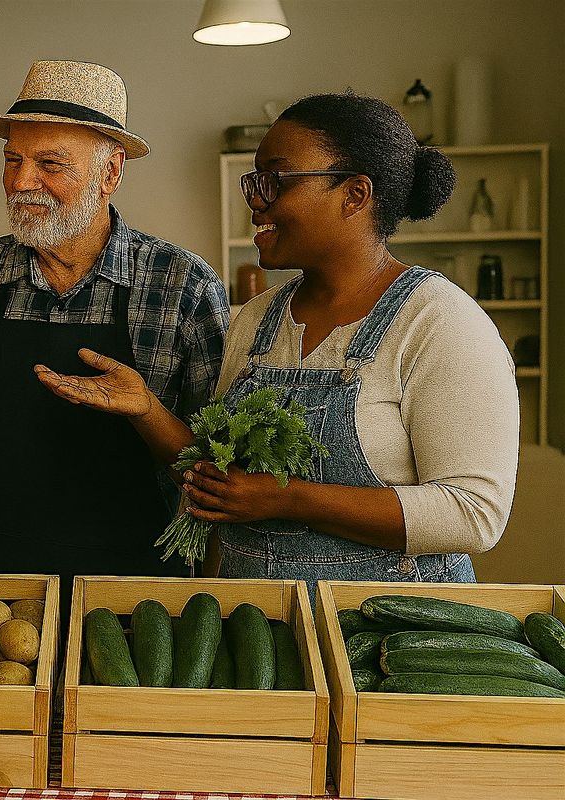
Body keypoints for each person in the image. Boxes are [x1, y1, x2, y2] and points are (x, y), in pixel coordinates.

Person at [38, 92, 518, 590]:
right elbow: (227, 479)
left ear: (355, 195)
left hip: (389, 644)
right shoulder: (257, 319)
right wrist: (146, 409)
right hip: (264, 629)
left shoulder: (439, 322)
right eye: (254, 180)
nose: (255, 199)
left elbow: (473, 514)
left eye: (276, 180)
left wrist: (290, 498)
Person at [0, 60, 229, 596]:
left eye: (50, 163)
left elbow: (216, 468)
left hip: (131, 601)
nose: (22, 182)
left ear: (110, 172)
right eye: (12, 159)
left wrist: (147, 410)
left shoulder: (182, 285)